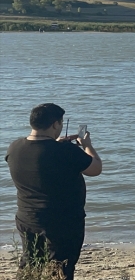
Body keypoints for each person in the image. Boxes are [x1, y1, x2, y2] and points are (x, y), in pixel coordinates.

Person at [5, 103, 102, 280]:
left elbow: (40, 161)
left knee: (30, 263)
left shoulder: (15, 148)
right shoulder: (66, 151)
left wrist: (55, 144)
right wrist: (87, 146)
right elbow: (95, 168)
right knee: (61, 268)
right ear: (55, 124)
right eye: (60, 123)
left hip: (27, 217)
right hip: (62, 222)